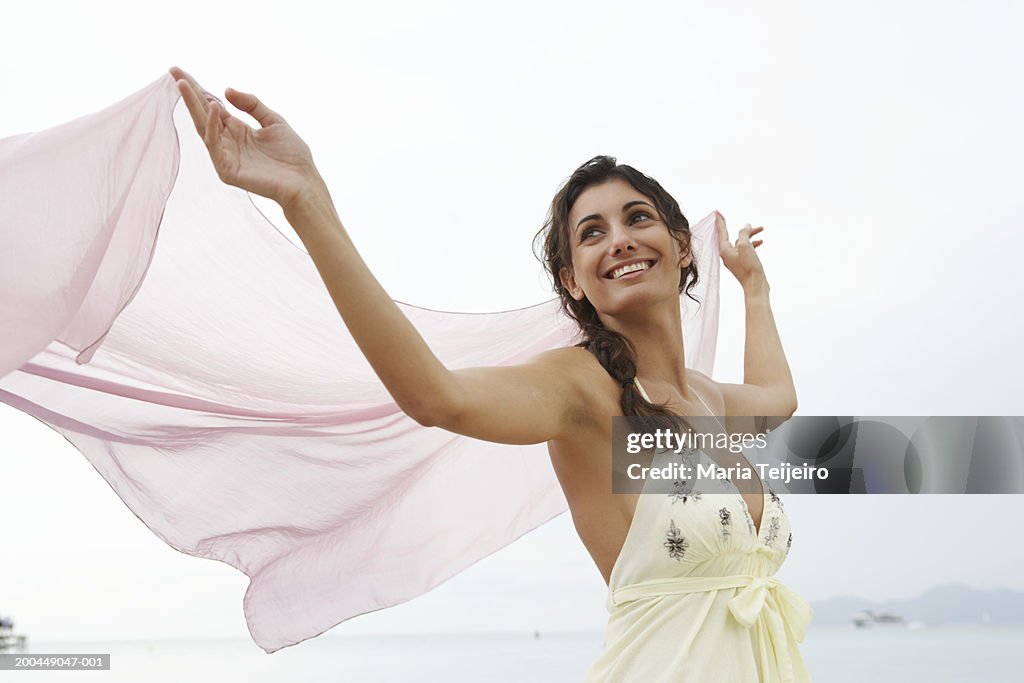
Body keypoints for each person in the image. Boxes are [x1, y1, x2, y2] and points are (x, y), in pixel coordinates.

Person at [168, 66, 812, 681]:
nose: (618, 238)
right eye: (592, 233)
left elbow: (779, 398)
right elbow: (436, 396)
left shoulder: (703, 399)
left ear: (679, 246)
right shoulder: (582, 389)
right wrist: (307, 199)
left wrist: (753, 287)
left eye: (637, 218)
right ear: (574, 282)